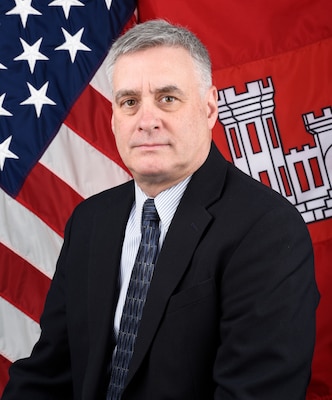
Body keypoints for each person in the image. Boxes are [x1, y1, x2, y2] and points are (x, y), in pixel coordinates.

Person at [2, 19, 319, 400]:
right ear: (114, 118)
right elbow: (47, 375)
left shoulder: (267, 229)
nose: (146, 121)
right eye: (130, 102)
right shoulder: (90, 222)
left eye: (168, 98)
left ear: (208, 109)